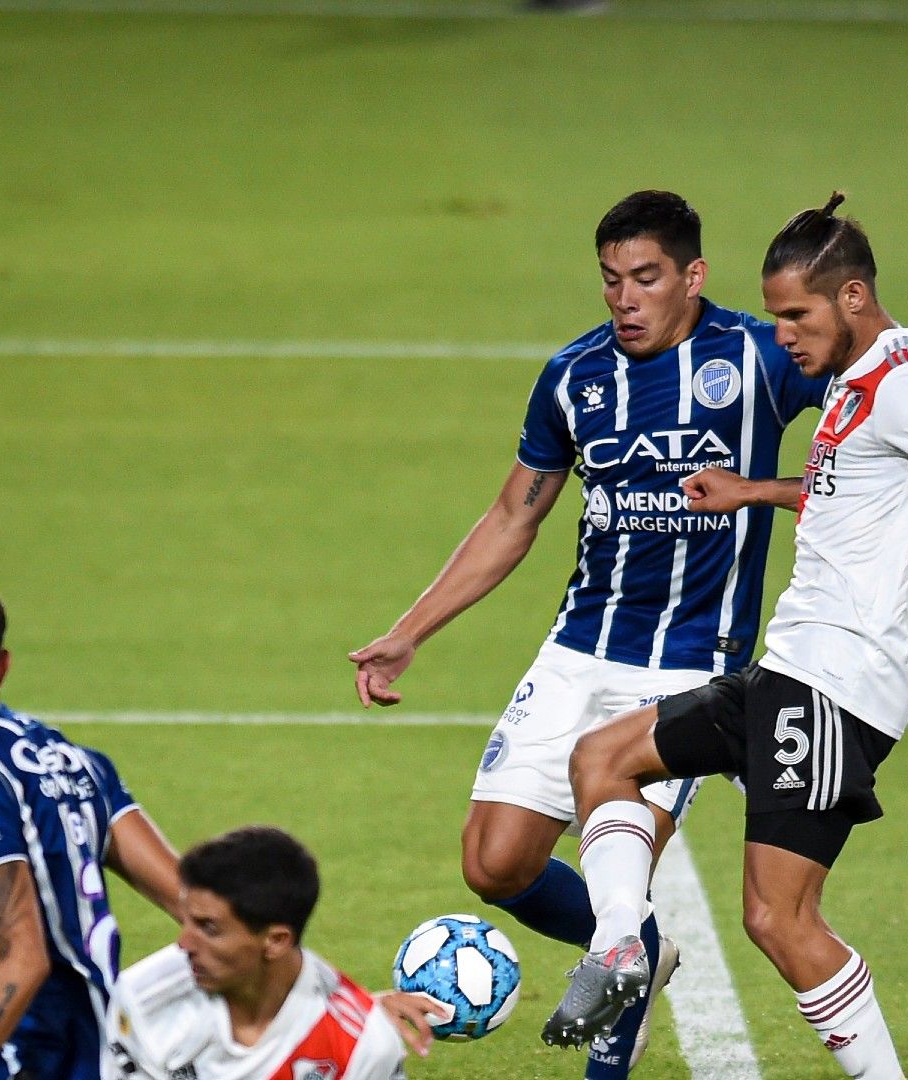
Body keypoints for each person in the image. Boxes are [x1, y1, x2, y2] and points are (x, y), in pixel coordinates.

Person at [540, 194, 908, 1080]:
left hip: (837, 684)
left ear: (852, 296)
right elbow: (855, 493)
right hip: (789, 669)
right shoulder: (855, 382)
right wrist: (752, 490)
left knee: (780, 918)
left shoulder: (905, 381)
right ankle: (621, 946)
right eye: (774, 317)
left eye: (796, 317)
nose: (782, 336)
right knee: (601, 759)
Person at [346, 189, 830, 1076]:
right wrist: (411, 630)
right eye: (611, 280)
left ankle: (621, 994)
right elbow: (513, 515)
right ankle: (645, 953)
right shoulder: (576, 376)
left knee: (617, 883)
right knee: (494, 864)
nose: (624, 300)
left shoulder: (760, 357)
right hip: (579, 647)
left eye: (646, 278)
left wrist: (776, 492)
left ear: (693, 275)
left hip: (688, 667)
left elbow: (866, 441)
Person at [0, 561, 182, 1080]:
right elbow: (195, 900)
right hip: (110, 1066)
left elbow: (20, 957)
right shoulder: (75, 762)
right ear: (1, 665)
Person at [103, 826, 453, 1080]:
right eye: (188, 921)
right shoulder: (146, 999)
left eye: (209, 928)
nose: (184, 944)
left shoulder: (362, 1045)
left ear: (275, 941)